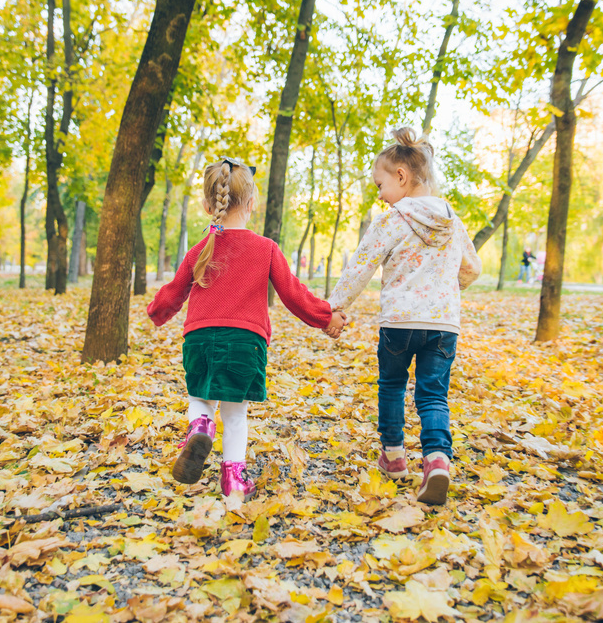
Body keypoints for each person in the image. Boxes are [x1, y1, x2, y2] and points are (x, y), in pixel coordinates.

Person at [148, 157, 346, 501]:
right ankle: (234, 482)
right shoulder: (266, 249)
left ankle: (200, 426)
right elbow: (294, 294)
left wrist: (155, 312)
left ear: (208, 205)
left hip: (199, 339)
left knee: (200, 398)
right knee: (236, 414)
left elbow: (173, 293)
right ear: (252, 203)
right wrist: (326, 317)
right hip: (245, 341)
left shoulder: (199, 250)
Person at [325, 128, 481, 506]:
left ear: (401, 176)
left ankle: (394, 457)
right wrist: (447, 289)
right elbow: (473, 268)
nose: (379, 194)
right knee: (433, 395)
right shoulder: (451, 220)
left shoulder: (392, 219)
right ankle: (437, 460)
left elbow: (361, 266)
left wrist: (335, 307)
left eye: (380, 184)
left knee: (392, 385)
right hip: (443, 325)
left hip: (399, 322)